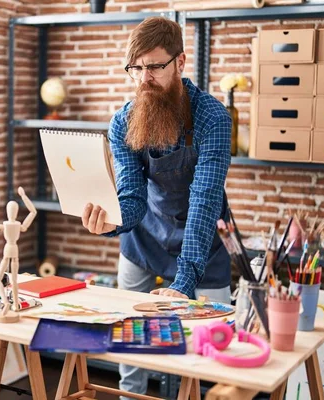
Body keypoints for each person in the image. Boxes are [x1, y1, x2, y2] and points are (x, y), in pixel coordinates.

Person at [81, 17, 233, 398]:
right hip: (145, 240)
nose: (144, 78)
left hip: (203, 245)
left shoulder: (212, 117)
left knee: (215, 348)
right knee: (130, 338)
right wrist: (111, 223)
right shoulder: (123, 122)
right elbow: (132, 199)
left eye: (154, 66)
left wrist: (184, 283)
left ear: (180, 63)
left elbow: (204, 200)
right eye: (136, 68)